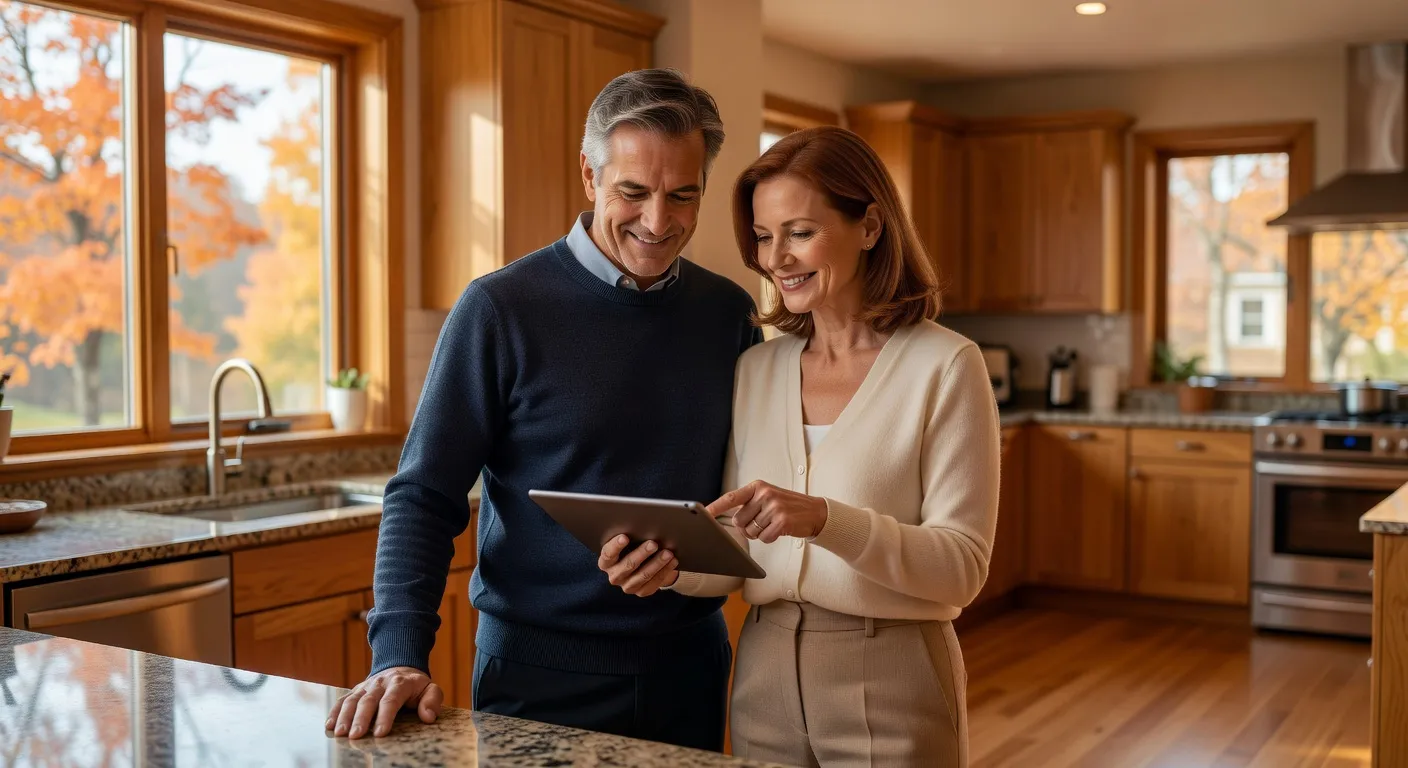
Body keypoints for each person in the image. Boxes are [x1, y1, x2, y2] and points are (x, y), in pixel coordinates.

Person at [327, 68, 760, 751]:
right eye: (633, 192)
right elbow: (424, 492)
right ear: (589, 177)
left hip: (690, 668)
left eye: (683, 196)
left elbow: (745, 496)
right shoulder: (500, 309)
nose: (658, 221)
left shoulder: (728, 315)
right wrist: (398, 655)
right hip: (536, 676)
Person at [602, 125, 1001, 767]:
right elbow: (740, 548)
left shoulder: (947, 365)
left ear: (869, 226)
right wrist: (674, 568)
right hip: (762, 673)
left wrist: (825, 520)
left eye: (800, 232)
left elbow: (962, 567)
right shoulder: (757, 369)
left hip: (893, 672)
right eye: (763, 237)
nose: (775, 259)